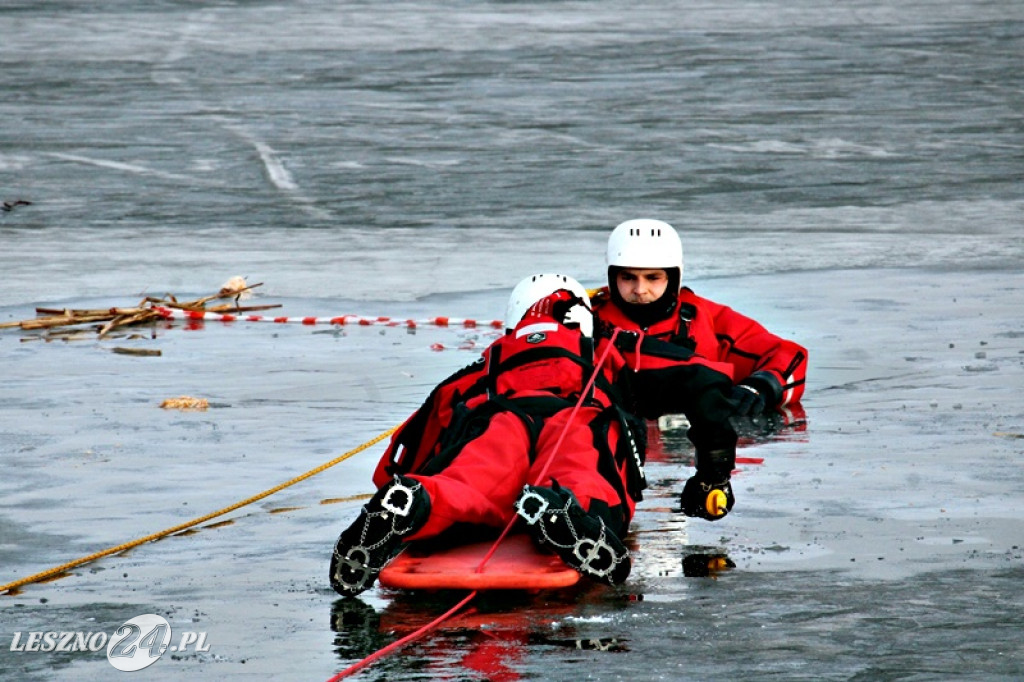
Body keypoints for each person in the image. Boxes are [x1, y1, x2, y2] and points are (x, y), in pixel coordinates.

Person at [329, 274, 742, 597]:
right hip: (579, 414)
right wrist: (713, 472)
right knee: (583, 474)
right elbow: (704, 383)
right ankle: (564, 511)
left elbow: (410, 447)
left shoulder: (483, 365)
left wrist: (399, 487)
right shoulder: (607, 346)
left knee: (467, 480)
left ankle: (421, 502)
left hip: (496, 416)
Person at [592, 218, 808, 422]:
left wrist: (761, 387)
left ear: (673, 277)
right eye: (628, 277)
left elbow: (788, 355)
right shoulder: (586, 320)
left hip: (690, 448)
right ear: (613, 277)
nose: (640, 290)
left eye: (653, 278)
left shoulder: (707, 319)